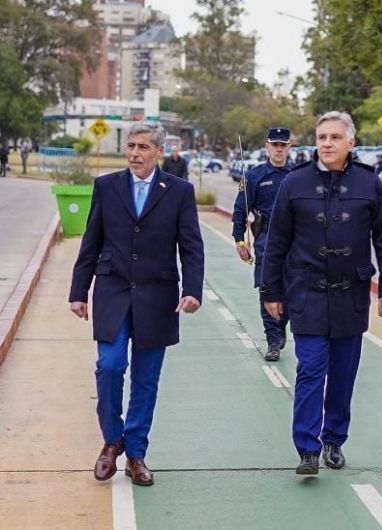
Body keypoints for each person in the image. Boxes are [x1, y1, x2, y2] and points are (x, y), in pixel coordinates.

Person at [260, 111, 382, 475]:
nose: (327, 143)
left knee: (342, 373)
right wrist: (271, 291)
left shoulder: (370, 184)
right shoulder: (295, 182)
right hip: (306, 293)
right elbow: (277, 241)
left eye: (335, 137)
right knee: (310, 370)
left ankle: (334, 438)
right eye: (322, 137)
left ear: (350, 143)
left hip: (350, 295)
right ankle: (307, 448)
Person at [68, 121, 204, 487]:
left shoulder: (178, 191)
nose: (134, 154)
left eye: (143, 147)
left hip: (158, 297)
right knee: (109, 367)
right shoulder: (107, 186)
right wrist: (79, 291)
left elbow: (191, 246)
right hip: (112, 290)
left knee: (146, 380)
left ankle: (137, 454)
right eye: (130, 146)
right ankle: (112, 442)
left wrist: (192, 290)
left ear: (159, 151)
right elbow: (91, 242)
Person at [232, 127, 294, 361]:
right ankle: (272, 341)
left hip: (294, 241)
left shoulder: (298, 175)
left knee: (290, 290)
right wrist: (239, 240)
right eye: (274, 144)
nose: (278, 149)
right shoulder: (255, 176)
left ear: (289, 147)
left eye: (283, 145)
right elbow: (240, 210)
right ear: (267, 147)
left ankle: (280, 326)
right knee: (267, 288)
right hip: (266, 239)